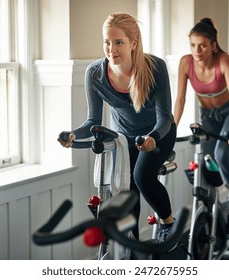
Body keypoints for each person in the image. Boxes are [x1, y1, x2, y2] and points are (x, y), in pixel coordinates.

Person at [58, 12, 176, 242]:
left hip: (159, 133)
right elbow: (93, 121)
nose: (111, 49)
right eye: (107, 42)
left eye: (118, 42)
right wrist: (72, 134)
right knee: (126, 191)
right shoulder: (95, 73)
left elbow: (164, 118)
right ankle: (131, 246)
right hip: (124, 138)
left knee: (142, 176)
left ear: (133, 43)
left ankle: (167, 223)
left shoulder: (155, 67)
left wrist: (152, 137)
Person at [174, 18, 229, 220]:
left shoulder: (223, 60)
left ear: (213, 46)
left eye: (202, 45)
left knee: (222, 154)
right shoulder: (185, 63)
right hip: (208, 116)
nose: (196, 50)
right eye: (192, 45)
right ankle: (211, 209)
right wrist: (172, 128)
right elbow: (180, 99)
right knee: (206, 161)